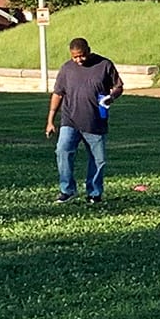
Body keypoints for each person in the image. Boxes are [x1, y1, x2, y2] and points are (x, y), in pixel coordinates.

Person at [47, 37, 123, 204]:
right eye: (74, 57)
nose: (78, 60)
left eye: (81, 56)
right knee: (63, 151)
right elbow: (58, 94)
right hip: (70, 120)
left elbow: (118, 86)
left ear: (88, 50)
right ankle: (67, 190)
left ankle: (94, 193)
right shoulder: (67, 69)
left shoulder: (104, 65)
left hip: (95, 121)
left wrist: (111, 97)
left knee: (98, 159)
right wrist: (50, 120)